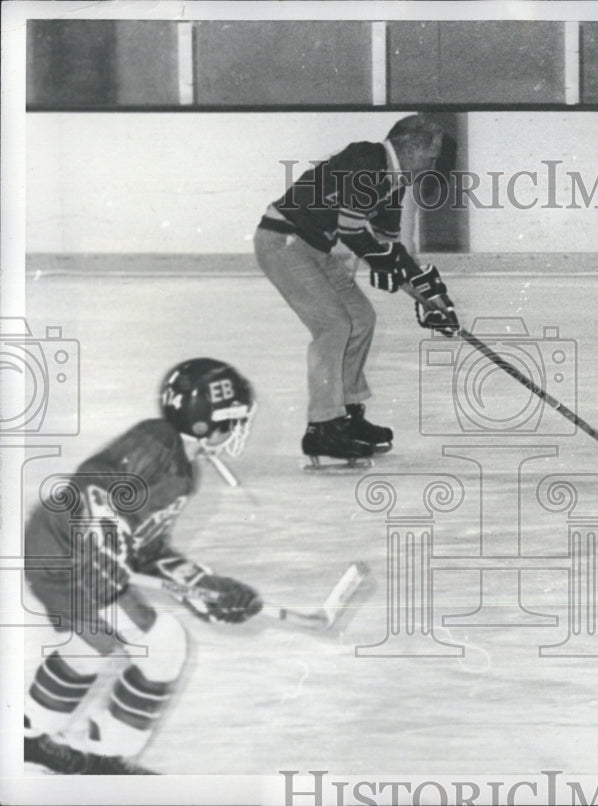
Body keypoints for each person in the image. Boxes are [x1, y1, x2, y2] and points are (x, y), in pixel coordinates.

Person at [23, 358, 263, 774]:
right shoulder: (155, 443)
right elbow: (93, 481)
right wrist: (101, 537)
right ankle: (107, 755)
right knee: (163, 645)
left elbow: (148, 550)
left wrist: (203, 584)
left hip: (65, 548)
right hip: (68, 552)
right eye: (235, 419)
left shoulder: (184, 473)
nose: (239, 428)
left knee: (92, 645)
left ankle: (25, 737)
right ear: (208, 424)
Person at [254, 114, 460, 466]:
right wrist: (398, 271)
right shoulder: (366, 158)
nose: (432, 163)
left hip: (314, 248)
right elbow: (352, 230)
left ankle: (347, 414)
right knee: (333, 325)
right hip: (283, 241)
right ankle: (322, 426)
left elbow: (389, 249)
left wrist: (431, 301)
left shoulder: (395, 184)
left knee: (360, 318)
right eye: (431, 154)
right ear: (410, 147)